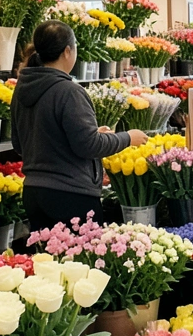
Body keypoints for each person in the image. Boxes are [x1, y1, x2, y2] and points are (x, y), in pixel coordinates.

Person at [12, 20, 147, 232]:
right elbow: (88, 145)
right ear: (67, 51)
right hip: (70, 196)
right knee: (82, 262)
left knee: (48, 262)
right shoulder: (68, 91)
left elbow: (21, 143)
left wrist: (90, 134)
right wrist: (128, 138)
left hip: (34, 193)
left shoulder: (23, 88)